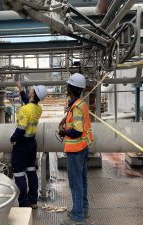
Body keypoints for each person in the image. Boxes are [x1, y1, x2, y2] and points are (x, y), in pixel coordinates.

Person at [58, 73, 94, 225]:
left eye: (67, 85)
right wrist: (66, 118)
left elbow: (77, 131)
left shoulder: (77, 107)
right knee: (82, 181)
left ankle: (77, 216)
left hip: (76, 150)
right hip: (82, 148)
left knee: (75, 183)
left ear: (71, 88)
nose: (66, 87)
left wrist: (63, 131)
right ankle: (83, 210)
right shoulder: (79, 104)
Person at [10, 82, 48, 208]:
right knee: (31, 171)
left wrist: (13, 138)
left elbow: (21, 128)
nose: (30, 90)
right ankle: (33, 201)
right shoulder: (38, 109)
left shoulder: (24, 109)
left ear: (33, 94)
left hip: (21, 144)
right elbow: (29, 103)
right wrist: (21, 90)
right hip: (32, 143)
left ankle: (24, 203)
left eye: (32, 89)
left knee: (19, 173)